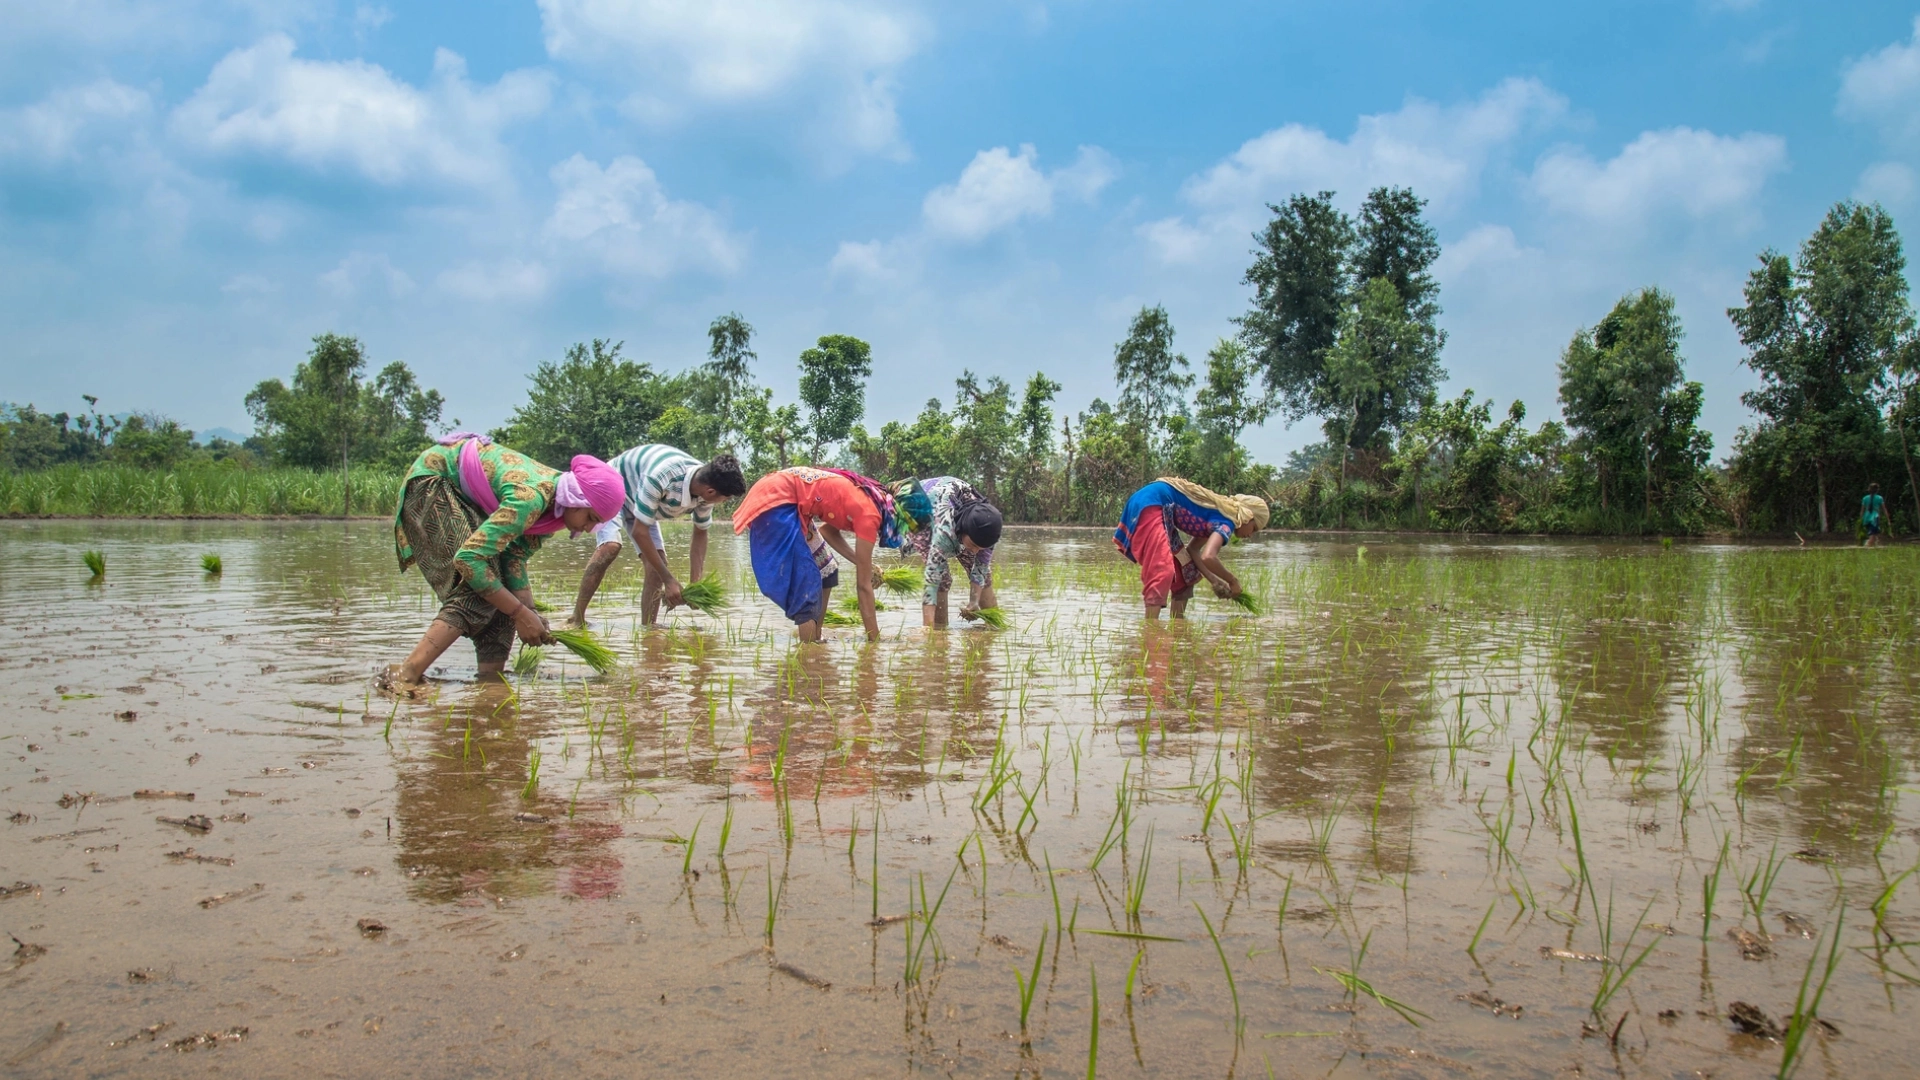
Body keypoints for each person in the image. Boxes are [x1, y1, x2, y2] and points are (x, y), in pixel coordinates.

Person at [386, 433, 624, 688]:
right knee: (477, 589)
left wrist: (530, 612)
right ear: (576, 500)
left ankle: (489, 684)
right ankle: (405, 675)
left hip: (460, 493)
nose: (588, 528)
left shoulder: (550, 516)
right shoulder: (530, 499)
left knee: (501, 602)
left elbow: (515, 557)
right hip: (435, 479)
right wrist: (521, 614)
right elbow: (468, 560)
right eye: (591, 517)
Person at [566, 446, 748, 628]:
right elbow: (639, 531)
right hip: (616, 489)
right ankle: (577, 617)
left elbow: (700, 532)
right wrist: (669, 580)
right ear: (710, 491)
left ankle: (648, 628)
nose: (724, 502)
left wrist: (695, 584)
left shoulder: (705, 491)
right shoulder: (662, 477)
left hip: (643, 502)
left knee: (657, 564)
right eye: (725, 499)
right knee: (610, 547)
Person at [732, 465, 900, 642]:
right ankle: (809, 655)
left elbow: (828, 532)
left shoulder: (869, 500)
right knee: (805, 588)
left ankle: (815, 639)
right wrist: (875, 641)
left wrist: (863, 564)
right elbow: (863, 586)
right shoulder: (869, 515)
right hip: (778, 499)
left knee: (826, 570)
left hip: (785, 495)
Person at [1114, 478, 1269, 620]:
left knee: (1185, 575)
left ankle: (1178, 627)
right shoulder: (1227, 522)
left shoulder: (1220, 515)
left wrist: (1214, 581)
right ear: (1248, 516)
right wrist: (1232, 581)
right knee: (1163, 570)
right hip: (1153, 502)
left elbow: (1193, 550)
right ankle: (1151, 632)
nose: (1250, 535)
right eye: (1254, 528)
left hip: (1156, 502)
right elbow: (1209, 557)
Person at [897, 476, 1003, 627]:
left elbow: (980, 570)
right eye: (974, 544)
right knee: (942, 579)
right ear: (963, 529)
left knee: (984, 575)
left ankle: (994, 625)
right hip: (919, 510)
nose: (977, 551)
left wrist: (973, 603)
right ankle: (938, 630)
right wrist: (927, 629)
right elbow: (931, 582)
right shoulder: (943, 533)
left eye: (982, 547)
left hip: (952, 500)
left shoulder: (987, 527)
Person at [1862, 482, 1887, 547]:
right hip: (1874, 517)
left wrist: (1861, 519)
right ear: (1877, 490)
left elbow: (1862, 510)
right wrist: (1887, 518)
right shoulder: (1879, 498)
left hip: (1866, 517)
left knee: (1874, 534)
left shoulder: (1865, 498)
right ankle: (1867, 546)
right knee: (1873, 534)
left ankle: (1873, 546)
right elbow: (1884, 509)